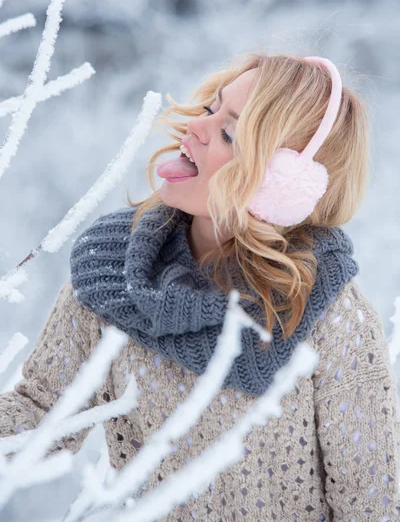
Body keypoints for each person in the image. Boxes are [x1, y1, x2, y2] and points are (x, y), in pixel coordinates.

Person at [1, 52, 399, 520]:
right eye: (212, 109)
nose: (196, 128)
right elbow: (39, 416)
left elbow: (373, 506)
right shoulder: (115, 274)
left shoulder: (331, 318)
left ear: (282, 184)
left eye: (229, 133)